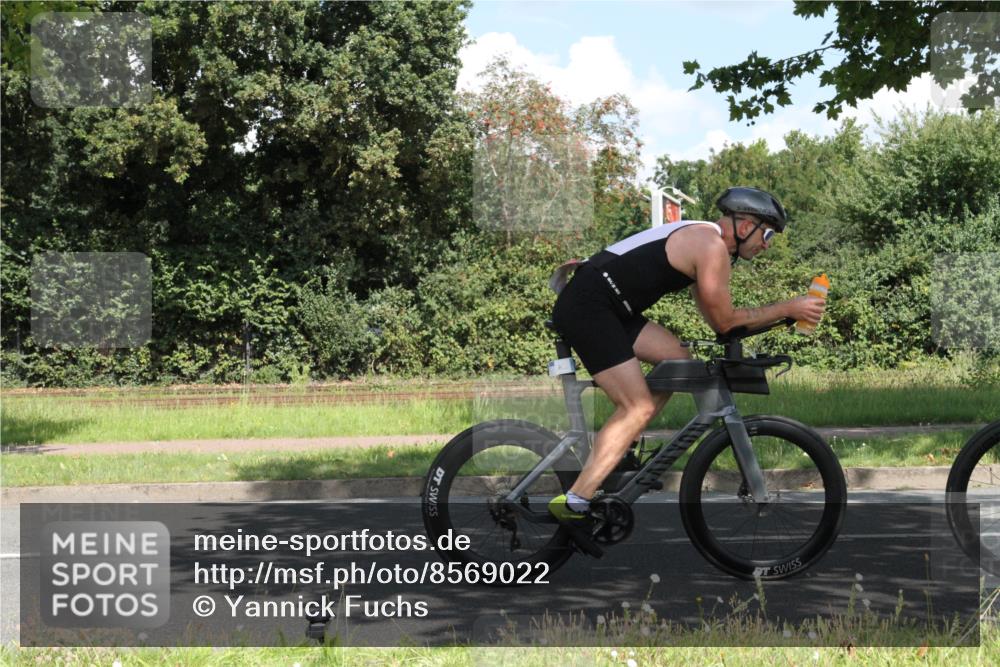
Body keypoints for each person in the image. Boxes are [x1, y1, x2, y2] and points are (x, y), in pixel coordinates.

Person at [548, 186, 825, 528]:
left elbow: (721, 326)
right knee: (638, 406)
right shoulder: (710, 247)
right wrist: (788, 306)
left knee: (676, 361)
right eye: (767, 233)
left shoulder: (706, 242)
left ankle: (618, 457)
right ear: (744, 226)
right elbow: (726, 321)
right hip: (590, 306)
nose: (767, 244)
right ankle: (577, 500)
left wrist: (784, 316)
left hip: (609, 306)